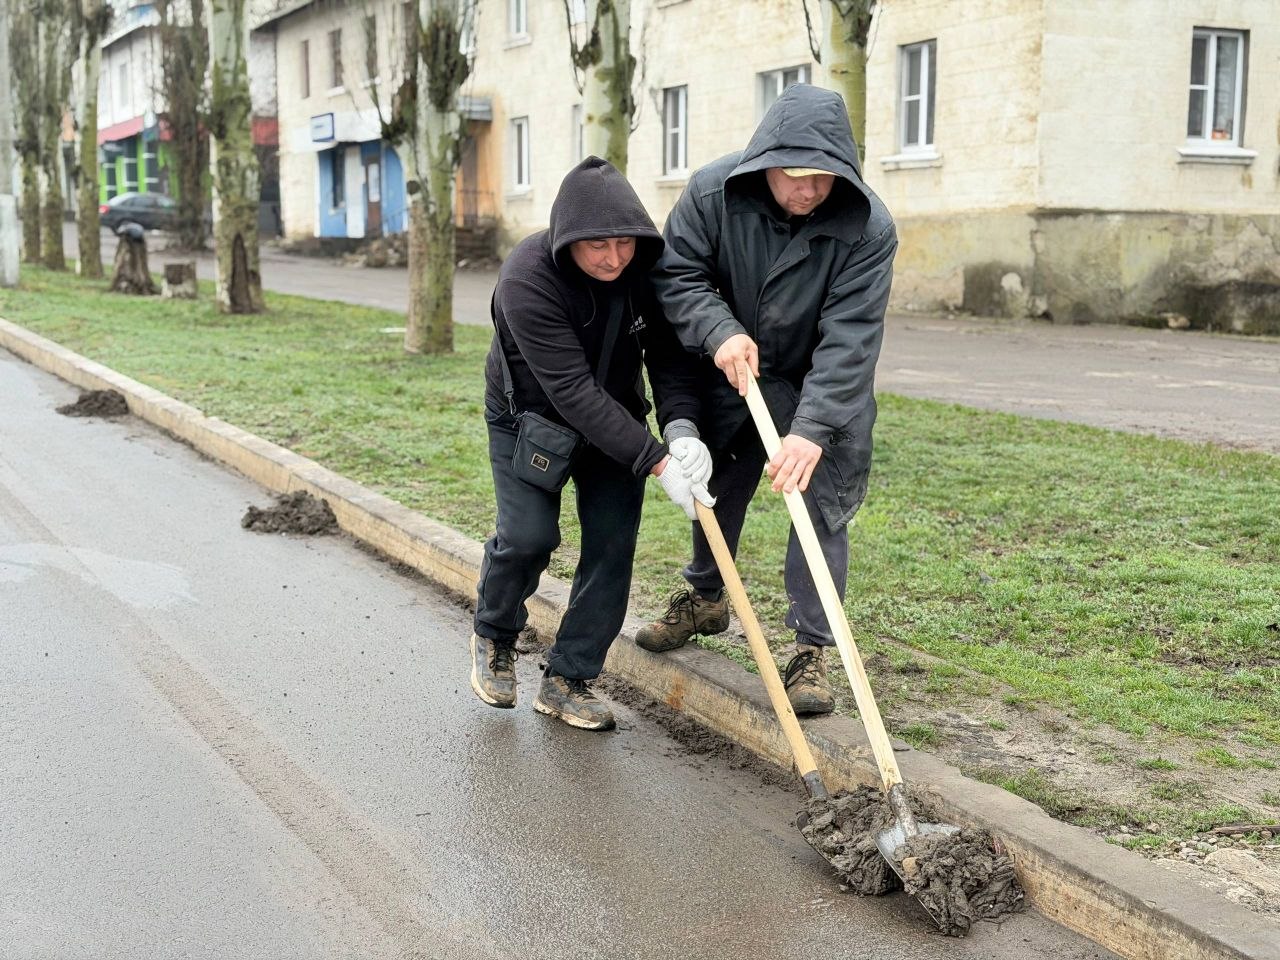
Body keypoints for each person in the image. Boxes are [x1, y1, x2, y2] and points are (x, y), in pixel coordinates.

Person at [637, 84, 897, 716]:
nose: (808, 191)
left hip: (818, 386)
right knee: (717, 486)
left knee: (820, 507)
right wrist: (718, 330)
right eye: (793, 176)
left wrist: (813, 427)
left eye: (823, 178)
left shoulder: (868, 227)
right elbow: (676, 274)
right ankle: (706, 599)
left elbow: (851, 337)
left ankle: (811, 650)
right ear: (765, 163)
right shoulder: (713, 193)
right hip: (734, 370)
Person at [471, 156, 713, 732]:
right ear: (567, 239)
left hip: (616, 418)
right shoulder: (527, 278)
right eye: (597, 245)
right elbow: (572, 391)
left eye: (624, 242)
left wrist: (681, 428)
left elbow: (669, 357)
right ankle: (494, 634)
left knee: (611, 547)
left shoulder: (643, 269)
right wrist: (657, 461)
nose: (614, 257)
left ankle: (568, 679)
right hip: (528, 417)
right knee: (529, 537)